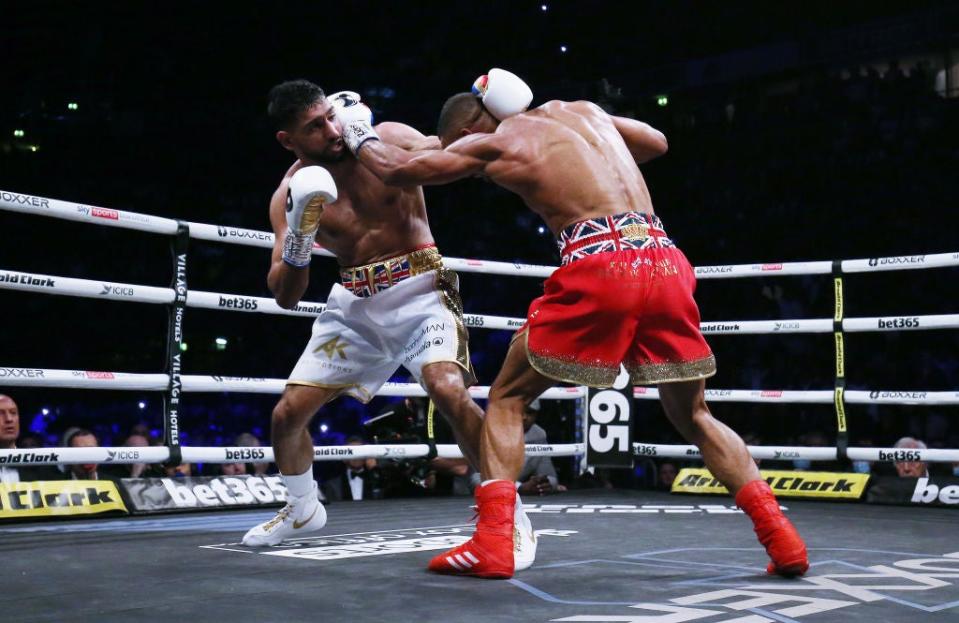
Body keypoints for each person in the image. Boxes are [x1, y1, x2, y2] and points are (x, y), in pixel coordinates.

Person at [339, 68, 808, 578]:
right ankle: (783, 541)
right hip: (666, 260)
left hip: (601, 265)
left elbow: (396, 170)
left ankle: (494, 544)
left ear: (473, 125)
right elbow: (656, 142)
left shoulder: (496, 141)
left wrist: (355, 124)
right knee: (694, 414)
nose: (468, 166)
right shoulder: (582, 111)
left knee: (508, 399)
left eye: (461, 150)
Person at [241, 80, 535, 572]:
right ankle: (302, 507)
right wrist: (299, 242)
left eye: (330, 115)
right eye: (315, 127)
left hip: (422, 287)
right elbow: (285, 296)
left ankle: (507, 516)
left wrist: (488, 119)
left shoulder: (384, 137)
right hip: (355, 303)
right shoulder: (289, 194)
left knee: (448, 388)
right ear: (287, 140)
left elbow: (460, 153)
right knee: (286, 415)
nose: (333, 130)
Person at [516, 399, 561, 496]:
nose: (524, 417)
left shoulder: (538, 434)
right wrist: (518, 487)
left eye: (529, 412)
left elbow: (549, 475)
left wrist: (544, 484)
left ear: (536, 415)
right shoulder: (492, 429)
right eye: (519, 411)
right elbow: (477, 477)